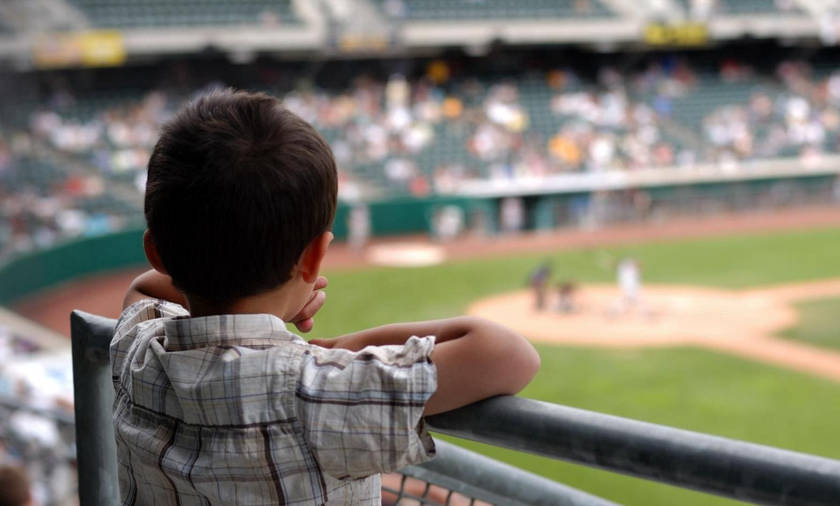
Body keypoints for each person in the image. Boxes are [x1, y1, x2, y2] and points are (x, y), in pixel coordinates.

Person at [110, 90, 539, 505]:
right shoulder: (317, 390)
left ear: (156, 252)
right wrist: (344, 347)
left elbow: (143, 288)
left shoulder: (137, 348)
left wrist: (258, 293)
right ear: (315, 258)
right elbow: (509, 354)